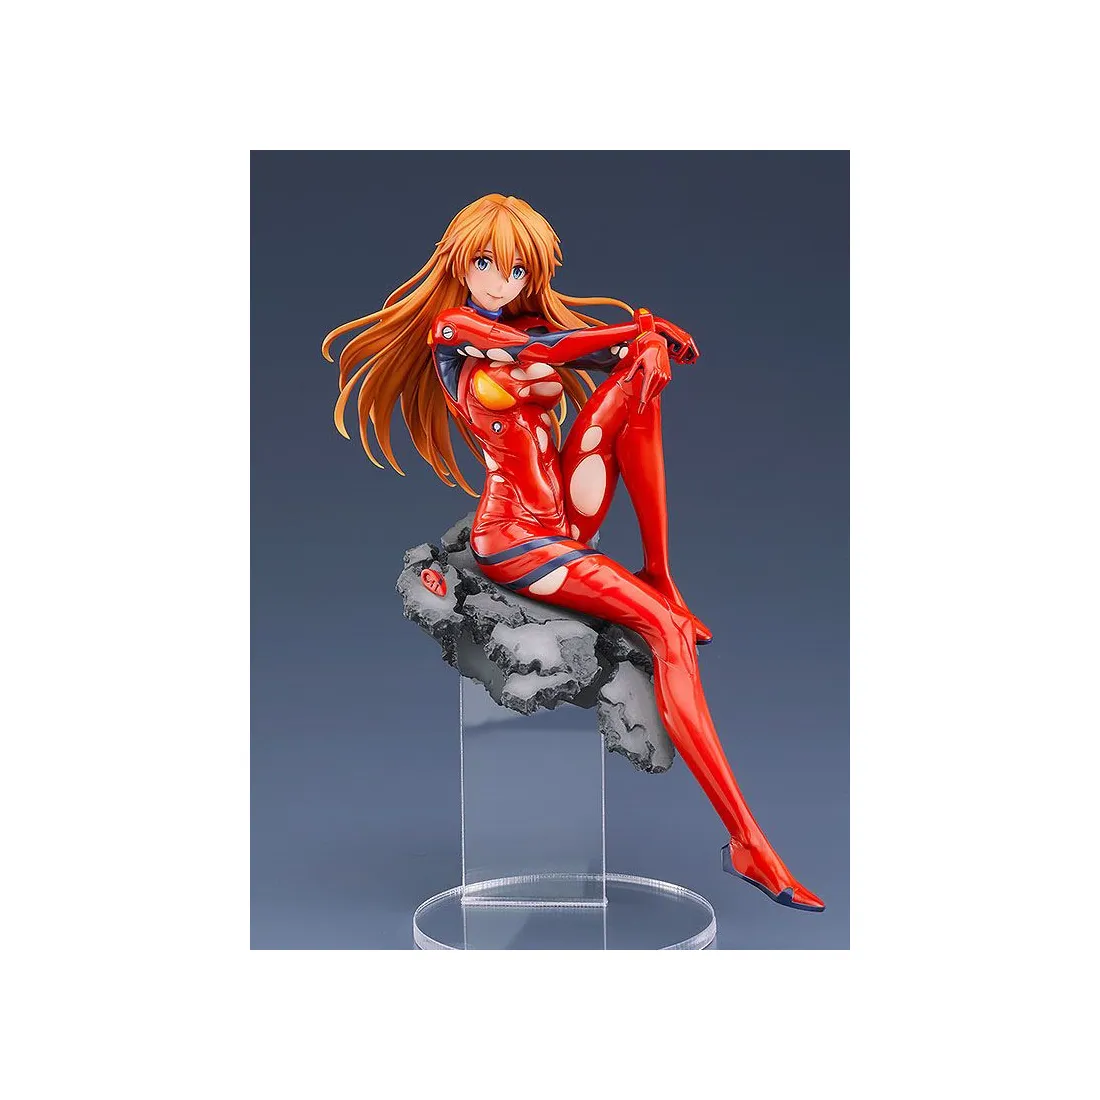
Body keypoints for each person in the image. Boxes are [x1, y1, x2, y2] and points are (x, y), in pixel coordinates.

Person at [323, 193, 824, 912]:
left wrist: (645, 344)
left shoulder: (524, 323)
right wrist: (638, 328)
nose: (501, 280)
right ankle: (748, 841)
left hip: (566, 509)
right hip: (517, 538)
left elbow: (572, 346)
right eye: (487, 263)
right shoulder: (453, 330)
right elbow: (540, 354)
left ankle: (660, 571)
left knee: (641, 376)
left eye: (517, 269)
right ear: (458, 263)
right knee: (668, 633)